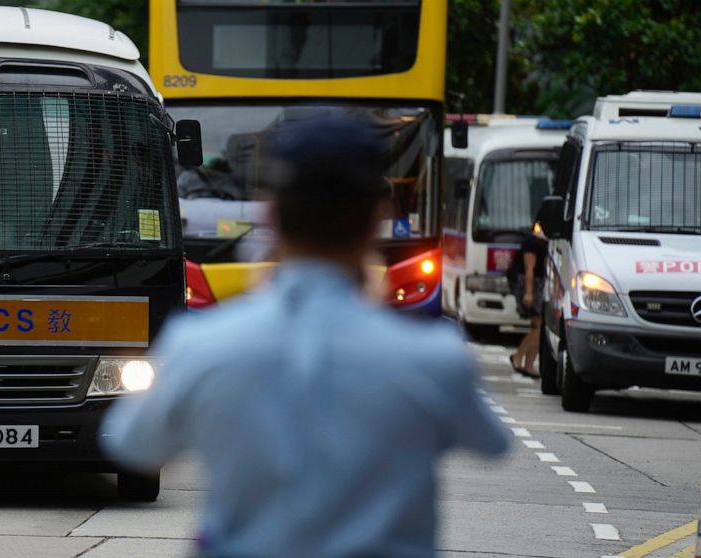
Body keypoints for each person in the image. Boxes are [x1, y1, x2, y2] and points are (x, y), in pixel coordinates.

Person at [99, 116, 510, 558]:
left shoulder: (200, 344)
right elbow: (492, 444)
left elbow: (131, 443)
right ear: (378, 217)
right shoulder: (434, 357)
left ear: (270, 214)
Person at [510, 223, 548, 378]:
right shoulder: (531, 242)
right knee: (539, 327)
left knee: (537, 328)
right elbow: (529, 269)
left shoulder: (544, 242)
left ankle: (529, 364)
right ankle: (518, 355)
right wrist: (529, 293)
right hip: (530, 286)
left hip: (540, 286)